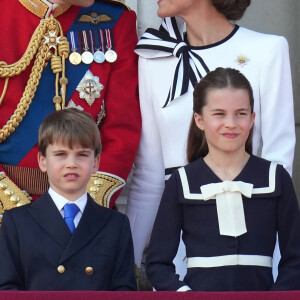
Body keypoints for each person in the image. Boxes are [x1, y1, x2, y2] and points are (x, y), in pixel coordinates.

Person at [126, 0, 295, 276]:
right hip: (180, 239)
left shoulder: (268, 50)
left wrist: (273, 257)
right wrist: (126, 263)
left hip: (252, 237)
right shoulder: (153, 57)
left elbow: (279, 164)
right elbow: (148, 175)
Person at [145, 67, 300, 291]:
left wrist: (274, 297)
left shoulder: (276, 178)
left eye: (241, 113)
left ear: (252, 118)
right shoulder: (182, 181)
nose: (231, 123)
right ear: (199, 120)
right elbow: (158, 264)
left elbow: (295, 258)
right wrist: (185, 294)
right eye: (219, 114)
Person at [0, 0, 141, 218]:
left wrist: (80, 210)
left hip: (78, 212)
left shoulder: (114, 20)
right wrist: (12, 211)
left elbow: (122, 131)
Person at [0, 108, 137, 291]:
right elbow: (7, 290)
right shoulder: (17, 222)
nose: (71, 163)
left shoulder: (116, 225)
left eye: (82, 155)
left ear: (95, 162)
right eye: (60, 154)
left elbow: (124, 291)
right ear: (42, 161)